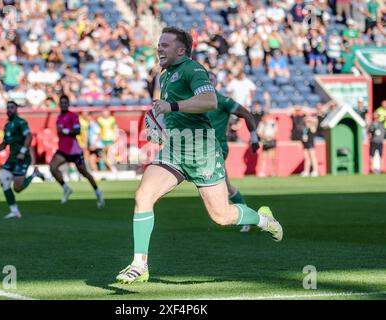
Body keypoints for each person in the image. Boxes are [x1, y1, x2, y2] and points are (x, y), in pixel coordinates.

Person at [115, 27, 283, 284]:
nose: (159, 48)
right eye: (158, 44)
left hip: (202, 150)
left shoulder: (193, 70)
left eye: (165, 45)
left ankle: (263, 219)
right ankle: (140, 264)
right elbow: (168, 111)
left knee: (221, 216)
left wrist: (170, 106)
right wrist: (157, 121)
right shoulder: (165, 74)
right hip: (175, 148)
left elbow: (209, 101)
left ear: (181, 50)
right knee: (143, 195)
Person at [206, 71, 260, 233]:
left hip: (216, 148)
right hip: (199, 148)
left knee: (223, 186)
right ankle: (245, 216)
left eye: (210, 80)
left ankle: (247, 217)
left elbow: (246, 114)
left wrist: (254, 137)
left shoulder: (222, 101)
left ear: (215, 84)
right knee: (225, 186)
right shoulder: (195, 102)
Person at [0, 101, 45, 219]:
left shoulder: (21, 122)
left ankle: (34, 175)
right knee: (4, 181)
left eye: (12, 107)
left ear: (16, 109)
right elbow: (4, 143)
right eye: (8, 108)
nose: (9, 110)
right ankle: (14, 210)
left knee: (17, 189)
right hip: (12, 158)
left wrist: (23, 152)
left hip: (22, 158)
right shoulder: (7, 126)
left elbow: (29, 136)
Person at [49, 95, 105, 207]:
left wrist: (64, 130)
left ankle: (98, 192)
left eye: (65, 103)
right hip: (63, 150)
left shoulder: (73, 116)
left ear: (68, 104)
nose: (63, 105)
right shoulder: (58, 117)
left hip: (74, 151)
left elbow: (77, 131)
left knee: (84, 172)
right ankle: (66, 188)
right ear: (59, 104)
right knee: (52, 167)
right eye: (62, 103)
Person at [97, 107, 118, 172]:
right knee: (102, 154)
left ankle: (110, 167)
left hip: (109, 138)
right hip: (102, 139)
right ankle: (106, 167)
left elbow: (115, 127)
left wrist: (115, 136)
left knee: (109, 153)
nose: (105, 113)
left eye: (106, 112)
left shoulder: (112, 119)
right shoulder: (99, 119)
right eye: (104, 112)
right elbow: (98, 129)